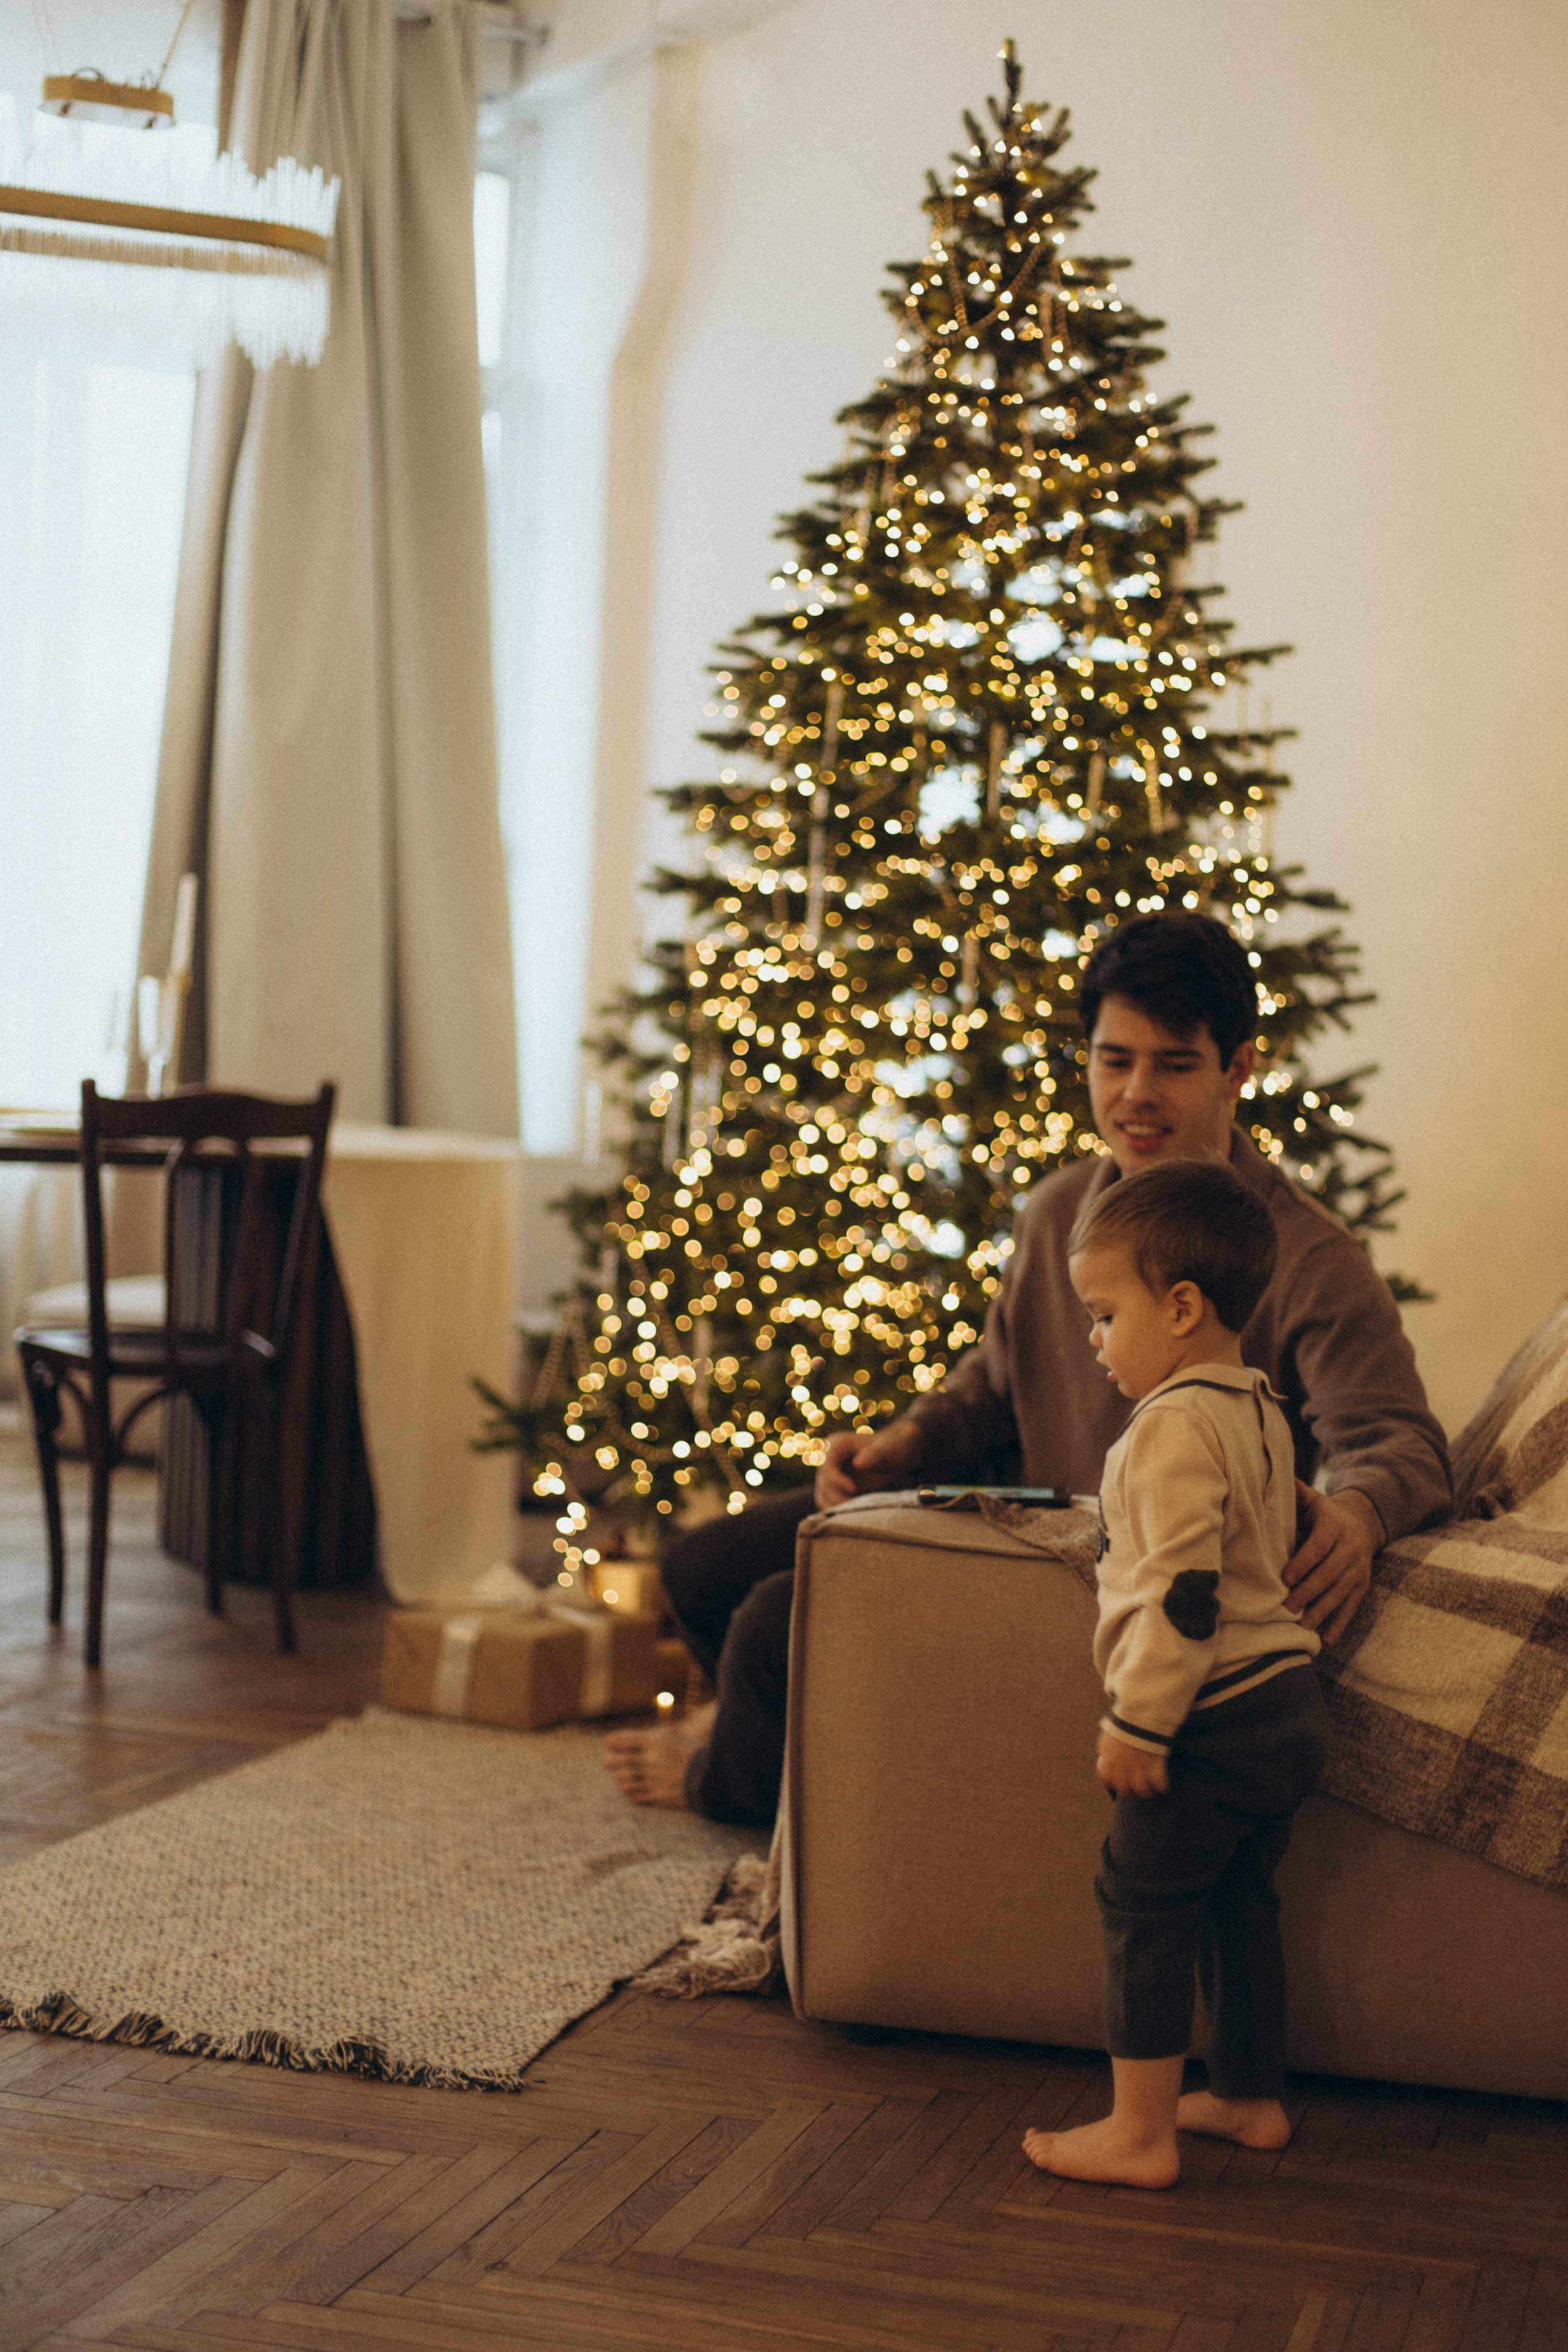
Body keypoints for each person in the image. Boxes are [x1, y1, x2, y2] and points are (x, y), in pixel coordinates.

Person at [604, 912, 1450, 1822]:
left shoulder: (1310, 1255)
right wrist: (910, 1439)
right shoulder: (1058, 1214)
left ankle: (725, 1782)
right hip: (1007, 1508)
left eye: (1173, 1063)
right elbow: (998, 1382)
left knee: (777, 1621)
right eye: (1113, 1059)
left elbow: (1399, 1440)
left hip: (1114, 1570)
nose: (1136, 1094)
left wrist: (1360, 1516)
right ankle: (762, 1748)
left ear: (1238, 1066)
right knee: (699, 1568)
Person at [1020, 1158, 1328, 2189]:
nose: (1096, 1339)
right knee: (1240, 1898)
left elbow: (1185, 1595)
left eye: (1105, 1315)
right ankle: (1246, 2094)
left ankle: (1139, 2131)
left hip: (1212, 1712)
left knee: (1140, 1903)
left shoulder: (1165, 1429)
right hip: (1288, 1702)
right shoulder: (1260, 1411)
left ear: (1183, 1307)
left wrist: (1143, 1723)